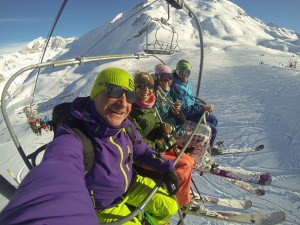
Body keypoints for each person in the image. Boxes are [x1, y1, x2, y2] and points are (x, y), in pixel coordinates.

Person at [0, 67, 179, 225]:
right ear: (95, 94)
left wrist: (166, 167)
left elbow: (143, 152)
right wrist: (46, 210)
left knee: (170, 207)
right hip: (103, 206)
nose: (123, 103)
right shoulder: (75, 135)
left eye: (130, 96)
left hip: (131, 185)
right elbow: (60, 167)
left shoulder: (125, 126)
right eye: (114, 91)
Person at [128, 71, 200, 212]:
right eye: (141, 85)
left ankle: (182, 197)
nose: (146, 89)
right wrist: (158, 144)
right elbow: (138, 141)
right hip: (146, 154)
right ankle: (174, 196)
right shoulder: (132, 110)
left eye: (149, 85)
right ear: (134, 88)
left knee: (189, 161)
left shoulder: (150, 105)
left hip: (159, 146)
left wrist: (164, 130)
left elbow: (155, 125)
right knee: (184, 164)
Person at [154, 64, 211, 164]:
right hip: (170, 130)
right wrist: (176, 116)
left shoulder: (166, 92)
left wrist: (177, 113)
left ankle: (200, 154)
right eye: (163, 78)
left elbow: (175, 110)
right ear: (157, 78)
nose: (167, 81)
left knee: (206, 129)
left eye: (169, 77)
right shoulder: (156, 95)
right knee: (203, 139)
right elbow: (161, 117)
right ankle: (196, 162)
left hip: (178, 124)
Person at [170, 59, 221, 155]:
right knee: (212, 129)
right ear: (177, 72)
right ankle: (204, 151)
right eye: (181, 73)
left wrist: (202, 107)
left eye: (187, 73)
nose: (184, 76)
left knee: (214, 119)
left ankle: (209, 146)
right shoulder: (175, 86)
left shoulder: (186, 83)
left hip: (192, 111)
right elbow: (183, 109)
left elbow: (190, 100)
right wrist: (201, 108)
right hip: (185, 116)